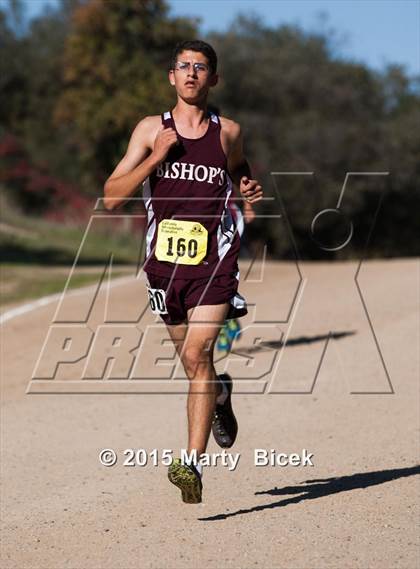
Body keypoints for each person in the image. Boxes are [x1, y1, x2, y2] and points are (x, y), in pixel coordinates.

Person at [103, 39, 263, 504]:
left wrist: (246, 184)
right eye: (184, 66)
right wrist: (156, 157)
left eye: (201, 67)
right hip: (163, 267)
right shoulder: (151, 130)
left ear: (213, 79)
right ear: (171, 77)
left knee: (198, 352)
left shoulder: (228, 131)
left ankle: (189, 464)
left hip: (214, 262)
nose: (192, 73)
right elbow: (112, 197)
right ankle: (220, 395)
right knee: (195, 364)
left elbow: (238, 169)